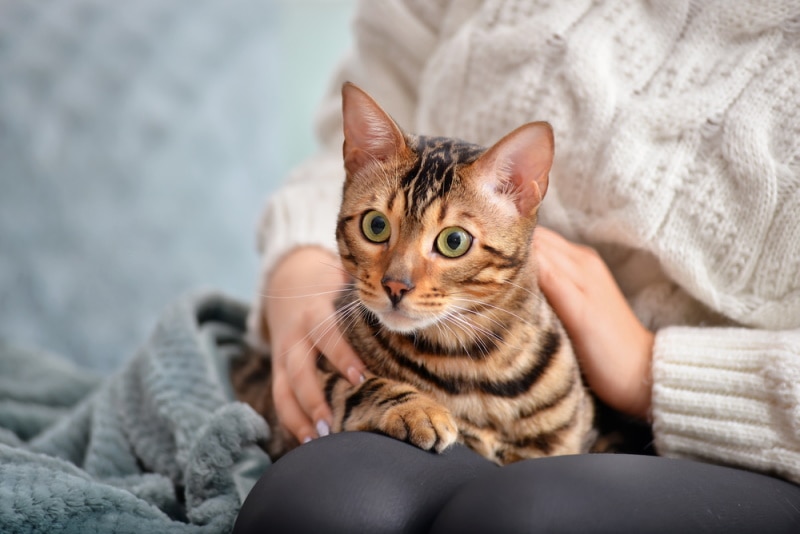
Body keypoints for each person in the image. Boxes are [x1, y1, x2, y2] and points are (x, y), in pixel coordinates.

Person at [238, 1, 800, 531]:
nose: (399, 280)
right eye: (378, 232)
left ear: (523, 194)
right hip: (413, 348)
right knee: (318, 505)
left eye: (450, 243)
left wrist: (649, 367)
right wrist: (300, 260)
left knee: (520, 516)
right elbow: (357, 146)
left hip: (705, 439)